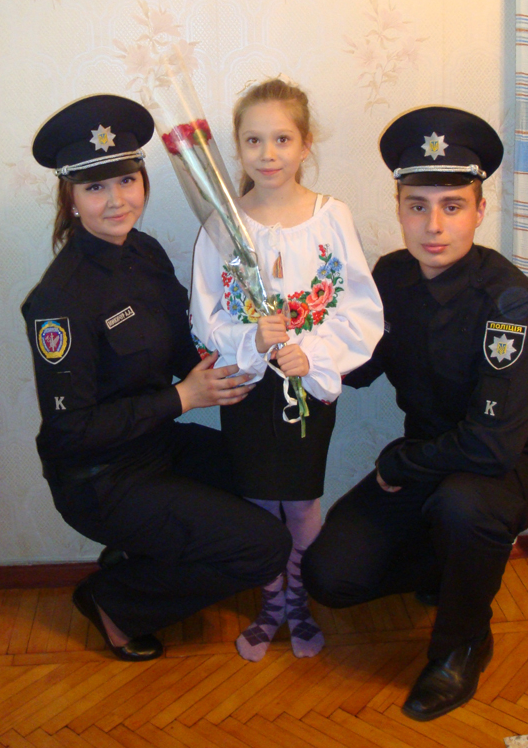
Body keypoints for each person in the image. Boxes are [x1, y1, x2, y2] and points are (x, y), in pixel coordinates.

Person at [302, 106, 528, 720]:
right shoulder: (391, 278)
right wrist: (300, 340)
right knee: (330, 578)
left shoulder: (508, 303)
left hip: (507, 468)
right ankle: (450, 565)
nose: (434, 225)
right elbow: (358, 367)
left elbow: (493, 446)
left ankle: (462, 645)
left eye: (453, 206)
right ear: (399, 208)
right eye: (418, 206)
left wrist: (401, 463)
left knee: (463, 505)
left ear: (480, 210)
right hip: (427, 463)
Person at [21, 94, 292, 661]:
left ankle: (140, 555)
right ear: (70, 199)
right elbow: (72, 431)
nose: (116, 200)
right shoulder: (59, 302)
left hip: (156, 445)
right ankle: (115, 603)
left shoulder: (143, 253)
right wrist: (182, 398)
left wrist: (255, 344)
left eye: (126, 180)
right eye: (95, 188)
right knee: (265, 546)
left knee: (263, 468)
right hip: (101, 477)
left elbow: (185, 342)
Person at [190, 78, 384, 661]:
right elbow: (204, 318)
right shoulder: (222, 225)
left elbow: (361, 309)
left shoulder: (331, 217)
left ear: (305, 144)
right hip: (246, 388)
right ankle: (270, 601)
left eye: (282, 139)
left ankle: (298, 600)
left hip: (307, 389)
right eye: (254, 140)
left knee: (299, 504)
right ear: (238, 147)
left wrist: (314, 355)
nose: (268, 153)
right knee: (256, 504)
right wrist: (250, 340)